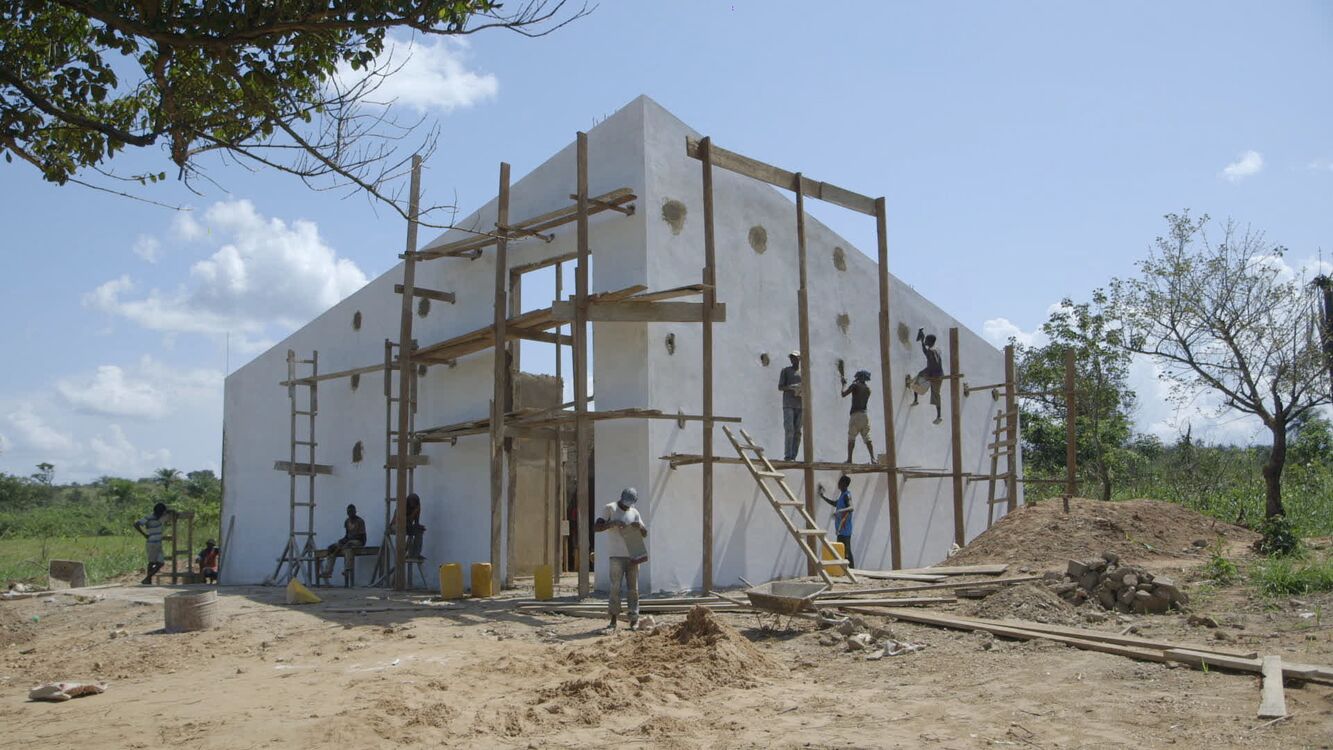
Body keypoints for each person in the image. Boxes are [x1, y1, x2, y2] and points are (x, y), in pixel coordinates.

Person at [593, 488, 648, 631]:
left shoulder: (634, 512)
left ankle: (633, 619)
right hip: (616, 556)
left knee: (633, 589)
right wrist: (612, 523)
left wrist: (639, 526)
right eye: (625, 503)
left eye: (629, 503)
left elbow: (644, 533)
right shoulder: (610, 508)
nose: (626, 506)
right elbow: (596, 527)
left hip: (633, 554)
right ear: (621, 498)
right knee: (615, 588)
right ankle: (613, 619)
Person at [818, 476, 855, 569]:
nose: (838, 484)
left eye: (840, 482)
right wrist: (822, 496)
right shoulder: (842, 495)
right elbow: (835, 503)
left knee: (846, 551)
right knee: (842, 551)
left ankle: (852, 570)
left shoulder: (847, 495)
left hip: (845, 529)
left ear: (844, 484)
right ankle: (846, 570)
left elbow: (851, 508)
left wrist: (839, 511)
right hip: (840, 529)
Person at [322, 504, 367, 578]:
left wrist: (348, 540)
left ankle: (347, 569)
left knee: (348, 547)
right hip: (348, 541)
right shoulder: (347, 521)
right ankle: (328, 571)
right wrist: (341, 540)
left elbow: (361, 536)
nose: (350, 513)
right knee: (332, 548)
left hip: (359, 541)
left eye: (352, 511)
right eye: (349, 512)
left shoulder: (360, 521)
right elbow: (347, 535)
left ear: (355, 512)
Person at [841, 369, 874, 463]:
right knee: (867, 437)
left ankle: (849, 459)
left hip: (855, 415)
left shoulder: (855, 385)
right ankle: (873, 458)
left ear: (858, 377)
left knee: (851, 437)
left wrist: (843, 384)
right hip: (864, 415)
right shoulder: (868, 389)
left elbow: (843, 394)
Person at [133, 502, 168, 585]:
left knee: (160, 562)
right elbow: (136, 524)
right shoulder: (149, 517)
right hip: (152, 543)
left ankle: (148, 579)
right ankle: (148, 579)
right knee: (152, 562)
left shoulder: (161, 518)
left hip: (157, 543)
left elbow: (171, 513)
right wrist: (144, 534)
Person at [914, 328, 944, 425]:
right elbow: (926, 353)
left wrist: (928, 373)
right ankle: (939, 416)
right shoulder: (935, 350)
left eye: (926, 340)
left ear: (930, 342)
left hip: (934, 374)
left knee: (920, 379)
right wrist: (922, 341)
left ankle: (916, 400)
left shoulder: (932, 351)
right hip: (937, 374)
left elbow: (933, 363)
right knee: (936, 393)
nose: (926, 341)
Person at [778, 350, 803, 460]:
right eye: (791, 358)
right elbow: (780, 387)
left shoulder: (803, 372)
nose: (793, 360)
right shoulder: (786, 371)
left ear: (799, 359)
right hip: (788, 404)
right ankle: (788, 455)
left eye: (795, 358)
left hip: (801, 405)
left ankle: (794, 455)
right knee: (789, 429)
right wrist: (791, 387)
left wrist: (801, 389)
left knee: (798, 432)